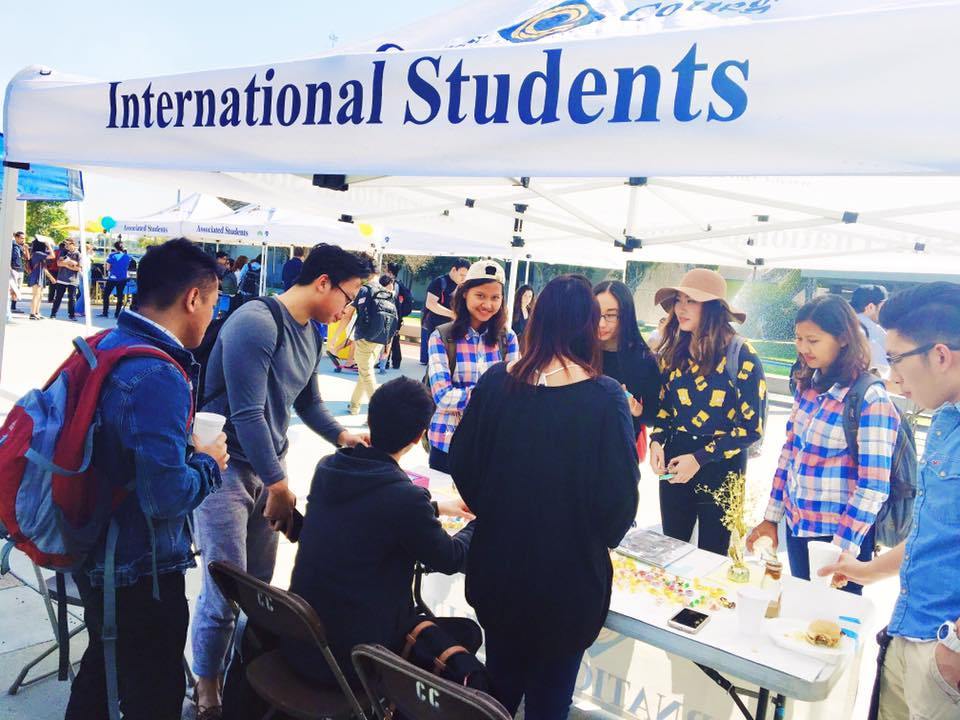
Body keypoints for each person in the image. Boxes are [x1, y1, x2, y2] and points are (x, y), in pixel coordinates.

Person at [191, 243, 373, 719]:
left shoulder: (312, 333)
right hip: (225, 469)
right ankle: (206, 684)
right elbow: (248, 412)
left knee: (259, 584)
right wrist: (279, 485)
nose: (347, 309)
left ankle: (239, 673)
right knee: (223, 589)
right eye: (349, 296)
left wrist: (343, 436)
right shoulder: (257, 321)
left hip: (268, 468)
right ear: (323, 283)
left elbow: (307, 403)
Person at [449, 274, 640, 719]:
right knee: (550, 703)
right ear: (588, 325)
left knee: (497, 692)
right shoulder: (604, 396)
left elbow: (463, 462)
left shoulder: (499, 382)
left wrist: (496, 508)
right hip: (567, 580)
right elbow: (619, 498)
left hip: (499, 568)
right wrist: (593, 534)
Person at [64, 238, 228, 720]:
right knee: (153, 687)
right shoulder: (156, 374)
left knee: (103, 665)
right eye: (214, 303)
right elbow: (165, 497)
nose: (211, 316)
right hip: (138, 566)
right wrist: (207, 462)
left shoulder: (107, 344)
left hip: (96, 543)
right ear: (192, 298)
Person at [818, 283, 960, 719]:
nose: (892, 377)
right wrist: (864, 570)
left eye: (896, 360)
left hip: (945, 648)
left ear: (940, 355)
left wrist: (955, 645)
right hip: (907, 630)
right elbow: (933, 534)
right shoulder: (944, 420)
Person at [286, 376, 475, 686]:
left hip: (299, 637)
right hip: (356, 659)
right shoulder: (405, 498)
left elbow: (372, 513)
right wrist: (478, 523)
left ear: (370, 419)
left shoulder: (329, 468)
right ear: (420, 437)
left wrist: (440, 507)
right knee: (467, 633)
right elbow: (451, 558)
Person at [746, 295, 899, 594]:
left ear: (842, 338)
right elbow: (789, 453)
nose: (803, 348)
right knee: (800, 612)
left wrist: (841, 549)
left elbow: (873, 486)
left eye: (813, 340)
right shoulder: (807, 385)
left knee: (832, 627)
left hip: (840, 538)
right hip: (798, 526)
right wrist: (771, 519)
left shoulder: (869, 398)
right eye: (798, 338)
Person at [649, 268, 766, 555]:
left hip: (721, 466)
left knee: (713, 556)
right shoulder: (675, 349)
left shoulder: (742, 354)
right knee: (671, 549)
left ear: (713, 308)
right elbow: (666, 409)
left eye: (691, 301)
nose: (681, 308)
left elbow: (751, 428)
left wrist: (699, 459)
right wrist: (656, 441)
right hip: (676, 459)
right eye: (678, 299)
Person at [426, 259, 519, 473]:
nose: (488, 305)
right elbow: (442, 396)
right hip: (447, 442)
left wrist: (475, 395)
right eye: (480, 296)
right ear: (465, 293)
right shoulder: (442, 336)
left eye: (495, 298)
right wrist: (490, 393)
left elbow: (514, 392)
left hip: (491, 444)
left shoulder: (508, 338)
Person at [594, 280, 660, 439]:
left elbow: (652, 418)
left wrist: (635, 408)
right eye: (595, 313)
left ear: (626, 315)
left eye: (610, 315)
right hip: (580, 444)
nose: (601, 323)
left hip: (620, 447)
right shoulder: (579, 352)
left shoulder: (644, 359)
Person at [337, 271, 397, 415]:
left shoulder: (364, 290)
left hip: (365, 337)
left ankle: (380, 411)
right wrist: (387, 344)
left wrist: (335, 340)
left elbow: (348, 314)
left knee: (367, 374)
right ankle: (354, 406)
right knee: (364, 372)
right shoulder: (385, 291)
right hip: (379, 338)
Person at [420, 258, 469, 365]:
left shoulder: (460, 286)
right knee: (434, 361)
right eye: (461, 275)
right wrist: (453, 314)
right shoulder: (439, 282)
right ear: (453, 270)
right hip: (434, 327)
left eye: (465, 276)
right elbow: (431, 304)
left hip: (451, 327)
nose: (463, 278)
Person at [851, 283, 890, 378]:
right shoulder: (874, 332)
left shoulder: (845, 323)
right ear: (870, 307)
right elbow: (883, 373)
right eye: (883, 306)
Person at [385, 261, 413, 369]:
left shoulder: (393, 285)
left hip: (392, 315)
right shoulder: (399, 284)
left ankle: (386, 361)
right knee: (394, 338)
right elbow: (408, 299)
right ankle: (395, 361)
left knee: (389, 338)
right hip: (397, 315)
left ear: (390, 272)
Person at [100, 241, 133, 318]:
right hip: (122, 278)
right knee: (120, 296)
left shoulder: (112, 255)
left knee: (106, 295)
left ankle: (105, 312)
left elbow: (108, 268)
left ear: (115, 248)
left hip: (112, 278)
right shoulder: (127, 257)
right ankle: (117, 314)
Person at [50, 238, 81, 321]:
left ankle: (71, 315)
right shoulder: (63, 252)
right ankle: (53, 314)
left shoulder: (78, 254)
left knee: (72, 298)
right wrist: (69, 265)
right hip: (61, 279)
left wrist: (68, 263)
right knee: (58, 297)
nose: (66, 246)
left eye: (68, 244)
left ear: (73, 244)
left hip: (73, 280)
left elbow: (78, 268)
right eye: (65, 244)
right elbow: (59, 263)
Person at [26, 238, 54, 321]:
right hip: (36, 276)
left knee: (40, 295)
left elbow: (43, 268)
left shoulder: (38, 254)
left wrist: (50, 277)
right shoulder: (38, 253)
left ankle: (37, 312)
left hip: (39, 275)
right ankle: (32, 313)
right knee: (36, 295)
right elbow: (53, 256)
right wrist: (49, 245)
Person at [10, 230, 28, 315]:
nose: (23, 240)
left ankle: (13, 306)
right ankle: (11, 307)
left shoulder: (21, 247)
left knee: (17, 289)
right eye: (21, 238)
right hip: (14, 269)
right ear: (16, 238)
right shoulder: (12, 245)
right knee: (13, 289)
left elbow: (27, 258)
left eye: (24, 238)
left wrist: (26, 249)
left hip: (21, 270)